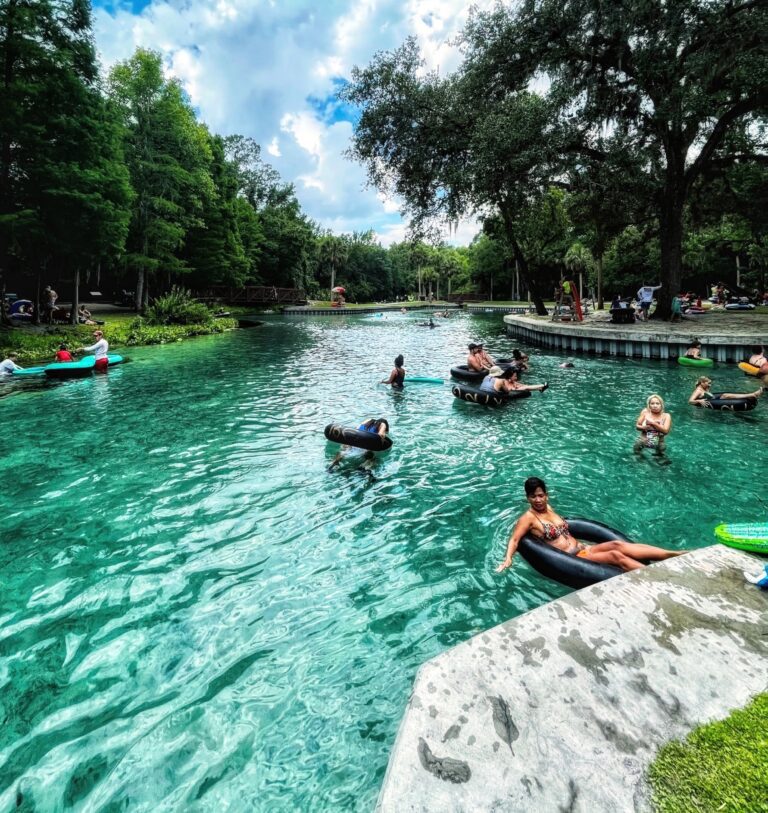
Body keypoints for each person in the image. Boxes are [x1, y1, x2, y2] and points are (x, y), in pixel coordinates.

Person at [495, 477, 682, 573]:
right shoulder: (528, 518)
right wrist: (508, 559)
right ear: (527, 498)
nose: (538, 500)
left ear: (546, 495)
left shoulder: (549, 508)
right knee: (616, 556)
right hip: (572, 559)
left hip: (583, 549)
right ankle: (654, 576)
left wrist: (583, 546)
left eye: (541, 495)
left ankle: (673, 554)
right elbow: (515, 539)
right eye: (533, 496)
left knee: (618, 545)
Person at [688, 376, 762, 405]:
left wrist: (707, 388)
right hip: (710, 401)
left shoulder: (705, 387)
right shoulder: (698, 390)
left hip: (713, 399)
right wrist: (700, 401)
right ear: (702, 383)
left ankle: (752, 395)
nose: (710, 385)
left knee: (726, 395)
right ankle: (753, 394)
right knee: (726, 395)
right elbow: (690, 401)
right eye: (708, 383)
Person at [479, 366, 548, 394]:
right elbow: (507, 391)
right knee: (525, 387)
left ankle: (540, 388)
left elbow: (524, 385)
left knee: (524, 386)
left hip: (485, 392)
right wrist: (514, 388)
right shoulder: (501, 380)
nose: (516, 378)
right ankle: (541, 386)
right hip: (497, 394)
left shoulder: (486, 377)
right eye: (515, 376)